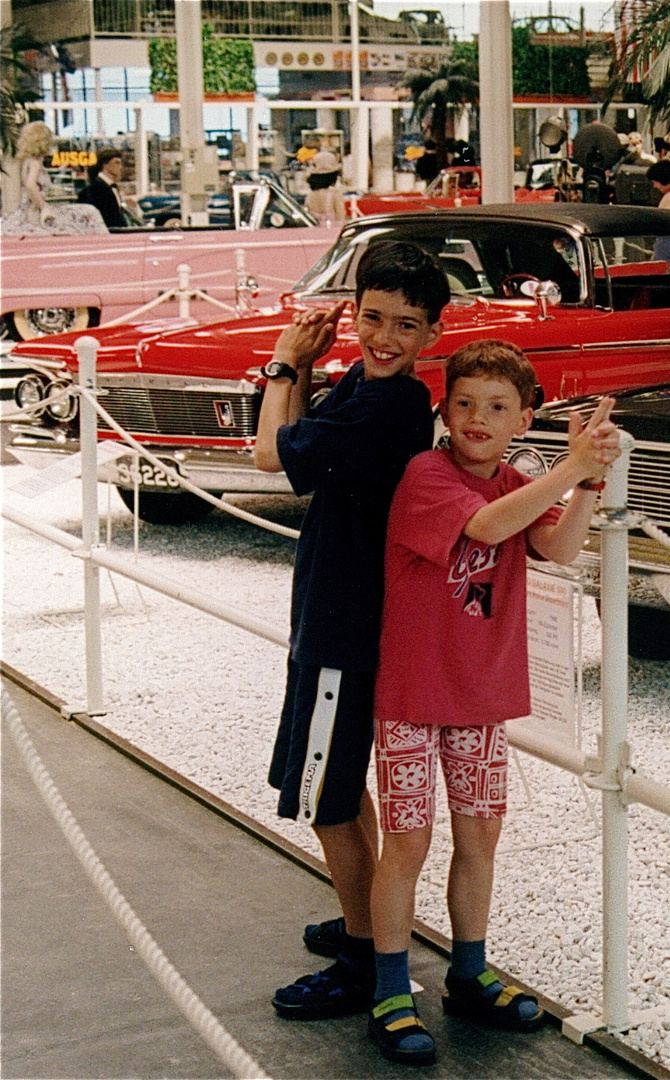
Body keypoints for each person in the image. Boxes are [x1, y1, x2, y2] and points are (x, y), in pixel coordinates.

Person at [365, 341, 620, 1066]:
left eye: (499, 407)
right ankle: (389, 986)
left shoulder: (517, 480)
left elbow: (562, 548)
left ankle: (469, 971)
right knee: (407, 841)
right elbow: (485, 527)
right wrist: (572, 467)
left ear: (525, 418)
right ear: (444, 408)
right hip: (412, 696)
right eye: (466, 402)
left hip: (479, 699)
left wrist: (590, 482)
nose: (479, 418)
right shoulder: (425, 474)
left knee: (479, 838)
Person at [253, 241, 448, 1024]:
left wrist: (279, 364)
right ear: (354, 312)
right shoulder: (364, 388)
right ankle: (363, 914)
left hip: (345, 629)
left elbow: (270, 453)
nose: (385, 337)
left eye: (406, 325)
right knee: (337, 782)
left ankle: (365, 953)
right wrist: (302, 371)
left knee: (327, 795)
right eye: (372, 318)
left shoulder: (388, 406)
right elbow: (297, 449)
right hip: (332, 616)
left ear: (434, 332)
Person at [1, 121, 107, 235]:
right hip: (35, 211)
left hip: (31, 209)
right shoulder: (35, 162)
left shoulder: (26, 161)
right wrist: (44, 206)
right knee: (89, 211)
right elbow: (30, 186)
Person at [76, 148, 129, 229]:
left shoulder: (112, 187)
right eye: (116, 163)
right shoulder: (94, 189)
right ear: (105, 164)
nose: (120, 167)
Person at [305, 147, 343, 225]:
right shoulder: (335, 194)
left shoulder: (310, 195)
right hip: (332, 230)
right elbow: (341, 217)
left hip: (315, 232)